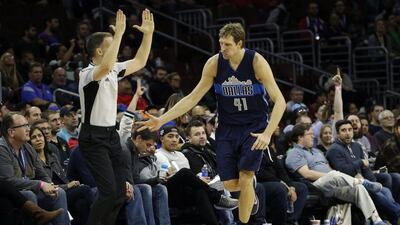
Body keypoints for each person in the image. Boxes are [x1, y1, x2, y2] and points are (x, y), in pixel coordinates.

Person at [139, 23, 286, 223]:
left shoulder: (256, 62)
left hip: (253, 127)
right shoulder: (214, 64)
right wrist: (163, 119)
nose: (222, 48)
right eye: (220, 43)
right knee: (231, 184)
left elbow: (280, 101)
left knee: (246, 175)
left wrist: (267, 133)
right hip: (226, 127)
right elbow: (192, 98)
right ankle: (249, 191)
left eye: (227, 44)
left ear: (240, 44)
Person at [78, 8, 154, 225]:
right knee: (109, 192)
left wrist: (147, 34)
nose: (117, 48)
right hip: (93, 138)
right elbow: (106, 67)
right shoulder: (87, 74)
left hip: (111, 135)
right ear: (100, 52)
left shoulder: (113, 70)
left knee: (121, 192)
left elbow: (139, 61)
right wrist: (119, 33)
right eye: (112, 45)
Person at [285, 123, 387, 225]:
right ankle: (362, 182)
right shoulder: (294, 153)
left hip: (332, 184)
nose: (313, 136)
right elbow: (306, 174)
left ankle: (376, 220)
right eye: (310, 134)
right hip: (315, 185)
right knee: (334, 174)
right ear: (300, 137)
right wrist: (331, 175)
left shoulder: (317, 151)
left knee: (358, 188)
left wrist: (335, 176)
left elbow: (329, 168)